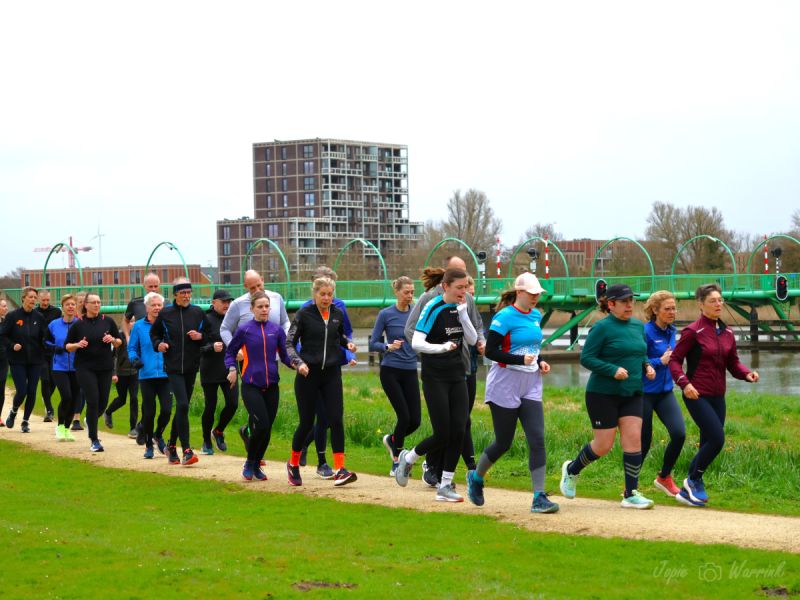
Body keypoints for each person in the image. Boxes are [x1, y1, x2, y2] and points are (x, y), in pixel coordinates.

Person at [466, 273, 559, 513]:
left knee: (537, 439)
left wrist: (540, 361)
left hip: (531, 383)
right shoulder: (504, 317)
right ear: (519, 292)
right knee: (503, 442)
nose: (536, 297)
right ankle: (476, 477)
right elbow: (490, 352)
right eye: (532, 293)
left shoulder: (536, 315)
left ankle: (539, 497)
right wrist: (520, 359)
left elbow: (532, 347)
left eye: (538, 294)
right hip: (505, 383)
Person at [559, 284, 657, 509]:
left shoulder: (638, 326)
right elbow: (586, 358)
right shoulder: (601, 328)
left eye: (631, 300)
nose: (629, 305)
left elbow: (640, 353)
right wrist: (612, 370)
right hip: (603, 394)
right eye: (624, 301)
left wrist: (647, 366)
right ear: (611, 304)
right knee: (603, 445)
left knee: (634, 439)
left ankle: (630, 493)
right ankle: (572, 470)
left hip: (633, 392)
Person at [669, 283, 759, 507]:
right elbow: (675, 361)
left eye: (720, 300)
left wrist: (746, 373)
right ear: (701, 305)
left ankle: (686, 491)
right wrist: (684, 384)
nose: (718, 304)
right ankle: (693, 479)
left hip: (718, 397)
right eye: (713, 301)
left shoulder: (727, 333)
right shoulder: (692, 332)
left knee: (707, 442)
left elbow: (733, 363)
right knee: (717, 439)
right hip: (696, 394)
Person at [395, 267, 478, 503]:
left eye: (465, 287)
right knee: (443, 433)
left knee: (459, 430)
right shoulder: (433, 307)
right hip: (435, 377)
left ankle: (445, 485)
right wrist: (441, 348)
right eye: (459, 288)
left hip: (457, 375)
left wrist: (463, 315)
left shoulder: (463, 305)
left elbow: (472, 340)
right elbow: (417, 342)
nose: (463, 292)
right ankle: (408, 458)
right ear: (445, 287)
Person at [285, 277, 358, 487]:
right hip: (308, 374)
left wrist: (348, 344)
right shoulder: (304, 314)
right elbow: (289, 343)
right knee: (307, 423)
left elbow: (339, 336)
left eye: (329, 294)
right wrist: (299, 362)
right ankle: (293, 463)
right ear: (315, 294)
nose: (326, 298)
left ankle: (340, 469)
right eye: (322, 294)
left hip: (332, 374)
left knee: (336, 420)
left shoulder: (337, 313)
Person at [225, 291, 294, 480]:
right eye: (260, 306)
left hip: (272, 386)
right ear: (252, 309)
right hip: (251, 385)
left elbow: (285, 356)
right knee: (261, 424)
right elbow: (230, 352)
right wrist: (232, 368)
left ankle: (256, 464)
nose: (264, 309)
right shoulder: (244, 330)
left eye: (266, 306)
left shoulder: (276, 330)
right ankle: (249, 462)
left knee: (267, 427)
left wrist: (297, 364)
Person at [220, 269, 289, 450]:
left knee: (266, 414)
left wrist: (287, 342)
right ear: (245, 287)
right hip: (248, 359)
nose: (257, 290)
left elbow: (285, 322)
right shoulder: (238, 304)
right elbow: (225, 329)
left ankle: (250, 438)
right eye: (252, 288)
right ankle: (254, 451)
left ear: (263, 280)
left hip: (271, 359)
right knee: (257, 408)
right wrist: (235, 349)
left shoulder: (276, 298)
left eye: (259, 285)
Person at [150, 278, 209, 466]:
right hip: (173, 367)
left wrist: (201, 336)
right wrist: (159, 344)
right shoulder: (166, 313)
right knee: (182, 404)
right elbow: (154, 334)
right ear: (175, 294)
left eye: (189, 292)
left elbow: (210, 334)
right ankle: (187, 450)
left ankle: (171, 446)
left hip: (191, 366)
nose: (186, 296)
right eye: (183, 293)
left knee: (182, 408)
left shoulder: (198, 313)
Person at [370, 276, 421, 476]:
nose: (410, 296)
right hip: (391, 370)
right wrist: (387, 346)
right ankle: (396, 461)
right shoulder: (386, 314)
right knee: (404, 417)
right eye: (406, 292)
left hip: (410, 370)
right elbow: (373, 343)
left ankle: (392, 440)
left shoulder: (416, 314)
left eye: (412, 292)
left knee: (415, 420)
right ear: (397, 292)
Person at [641, 290, 686, 498]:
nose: (672, 312)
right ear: (655, 310)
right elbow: (638, 361)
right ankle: (629, 486)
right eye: (667, 309)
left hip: (665, 392)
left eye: (674, 308)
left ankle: (664, 477)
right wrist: (660, 361)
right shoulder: (645, 332)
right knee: (643, 441)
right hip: (644, 393)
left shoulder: (671, 331)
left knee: (679, 434)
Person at [65, 293, 123, 452]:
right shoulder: (78, 324)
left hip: (105, 368)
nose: (97, 305)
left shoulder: (108, 321)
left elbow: (119, 342)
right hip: (85, 368)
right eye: (93, 302)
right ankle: (94, 439)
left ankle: (89, 421)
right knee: (93, 400)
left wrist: (112, 339)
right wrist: (77, 344)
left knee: (103, 403)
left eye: (99, 302)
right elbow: (67, 346)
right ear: (86, 305)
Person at [128, 291, 172, 459]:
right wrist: (134, 359)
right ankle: (148, 445)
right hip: (146, 375)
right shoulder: (139, 326)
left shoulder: (168, 324)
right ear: (146, 308)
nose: (156, 308)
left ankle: (158, 435)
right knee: (149, 412)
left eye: (159, 305)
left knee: (167, 410)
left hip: (166, 374)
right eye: (153, 305)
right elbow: (132, 348)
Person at [1, 287, 47, 433]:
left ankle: (25, 421)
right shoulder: (12, 316)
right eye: (30, 297)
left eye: (35, 297)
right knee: (22, 391)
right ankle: (14, 411)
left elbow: (44, 336)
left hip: (36, 360)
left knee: (32, 391)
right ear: (23, 298)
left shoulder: (39, 317)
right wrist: (12, 345)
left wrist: (46, 345)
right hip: (17, 360)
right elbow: (2, 335)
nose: (33, 299)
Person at [200, 289, 238, 455]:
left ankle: (218, 431)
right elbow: (197, 347)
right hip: (210, 369)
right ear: (214, 302)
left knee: (233, 403)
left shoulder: (233, 319)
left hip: (230, 369)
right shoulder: (205, 319)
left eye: (229, 302)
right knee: (210, 406)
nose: (227, 305)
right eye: (223, 302)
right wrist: (211, 347)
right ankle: (206, 441)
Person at [46, 294, 80, 441]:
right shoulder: (53, 324)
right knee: (66, 396)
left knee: (74, 399)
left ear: (76, 307)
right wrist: (56, 348)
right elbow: (46, 341)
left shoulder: (80, 324)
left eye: (73, 304)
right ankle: (60, 427)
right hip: (59, 366)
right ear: (63, 307)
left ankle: (67, 428)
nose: (71, 307)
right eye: (68, 304)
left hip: (77, 367)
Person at [103, 332, 140, 439]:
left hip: (134, 373)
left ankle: (133, 428)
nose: (131, 324)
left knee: (134, 398)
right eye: (129, 323)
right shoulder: (120, 337)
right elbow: (114, 356)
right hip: (121, 374)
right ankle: (108, 412)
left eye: (133, 322)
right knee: (122, 399)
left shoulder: (138, 335)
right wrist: (114, 373)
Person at [37, 290, 62, 422]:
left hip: (53, 350)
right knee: (45, 379)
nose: (45, 302)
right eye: (43, 300)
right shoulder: (35, 313)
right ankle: (49, 409)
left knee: (54, 380)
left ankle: (46, 397)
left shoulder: (56, 312)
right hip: (40, 351)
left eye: (47, 300)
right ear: (38, 300)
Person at [70, 291, 88, 431]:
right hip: (71, 360)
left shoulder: (91, 319)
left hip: (87, 360)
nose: (81, 304)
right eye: (79, 302)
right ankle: (72, 417)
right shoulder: (72, 320)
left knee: (83, 391)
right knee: (75, 391)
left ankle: (77, 418)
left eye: (84, 301)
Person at [123, 273, 161, 337]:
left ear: (159, 286)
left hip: (161, 342)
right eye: (150, 286)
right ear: (144, 286)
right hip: (141, 341)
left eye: (156, 286)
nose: (153, 289)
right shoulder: (135, 303)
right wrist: (128, 337)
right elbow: (125, 320)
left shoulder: (166, 303)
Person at [0, 298, 9, 427]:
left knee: (1, 387)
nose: (6, 308)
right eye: (3, 306)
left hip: (3, 359)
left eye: (6, 306)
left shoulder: (6, 323)